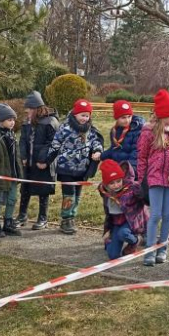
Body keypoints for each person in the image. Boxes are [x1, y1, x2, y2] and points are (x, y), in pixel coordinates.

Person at [136, 89, 169, 266]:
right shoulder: (148, 133)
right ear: (164, 115)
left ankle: (162, 249)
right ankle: (150, 250)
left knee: (168, 215)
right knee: (155, 215)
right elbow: (141, 157)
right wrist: (142, 180)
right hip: (154, 180)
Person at [48, 98, 104, 235]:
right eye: (82, 115)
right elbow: (56, 143)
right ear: (75, 114)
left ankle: (72, 216)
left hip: (81, 168)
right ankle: (66, 219)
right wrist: (48, 158)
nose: (84, 118)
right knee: (69, 194)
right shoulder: (65, 127)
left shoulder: (90, 129)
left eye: (87, 115)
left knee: (77, 194)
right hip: (66, 167)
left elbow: (96, 142)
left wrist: (98, 151)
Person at [17, 91, 59, 230]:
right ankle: (22, 216)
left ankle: (43, 218)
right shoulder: (27, 123)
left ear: (36, 108)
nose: (27, 111)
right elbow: (22, 140)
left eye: (29, 109)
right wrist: (23, 156)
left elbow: (53, 143)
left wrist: (44, 160)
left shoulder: (50, 122)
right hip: (29, 163)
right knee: (25, 189)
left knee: (43, 190)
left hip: (43, 164)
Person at [98, 160, 148, 260]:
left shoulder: (131, 188)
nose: (116, 185)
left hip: (130, 222)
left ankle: (135, 241)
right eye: (112, 183)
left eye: (118, 181)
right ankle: (111, 242)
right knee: (113, 256)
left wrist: (141, 189)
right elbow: (109, 215)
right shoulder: (105, 193)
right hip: (116, 223)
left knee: (123, 233)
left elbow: (143, 197)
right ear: (106, 184)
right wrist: (108, 231)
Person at [0, 103, 23, 238]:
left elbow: (16, 155)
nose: (13, 122)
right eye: (9, 120)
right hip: (0, 173)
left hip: (12, 173)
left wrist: (19, 171)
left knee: (12, 199)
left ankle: (8, 223)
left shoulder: (11, 134)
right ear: (1, 120)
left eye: (13, 119)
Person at [101, 100, 145, 172]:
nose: (127, 120)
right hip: (118, 168)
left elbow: (136, 152)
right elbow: (114, 149)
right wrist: (101, 156)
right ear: (117, 118)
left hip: (130, 170)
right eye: (123, 117)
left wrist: (128, 168)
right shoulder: (114, 131)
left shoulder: (137, 131)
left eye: (129, 116)